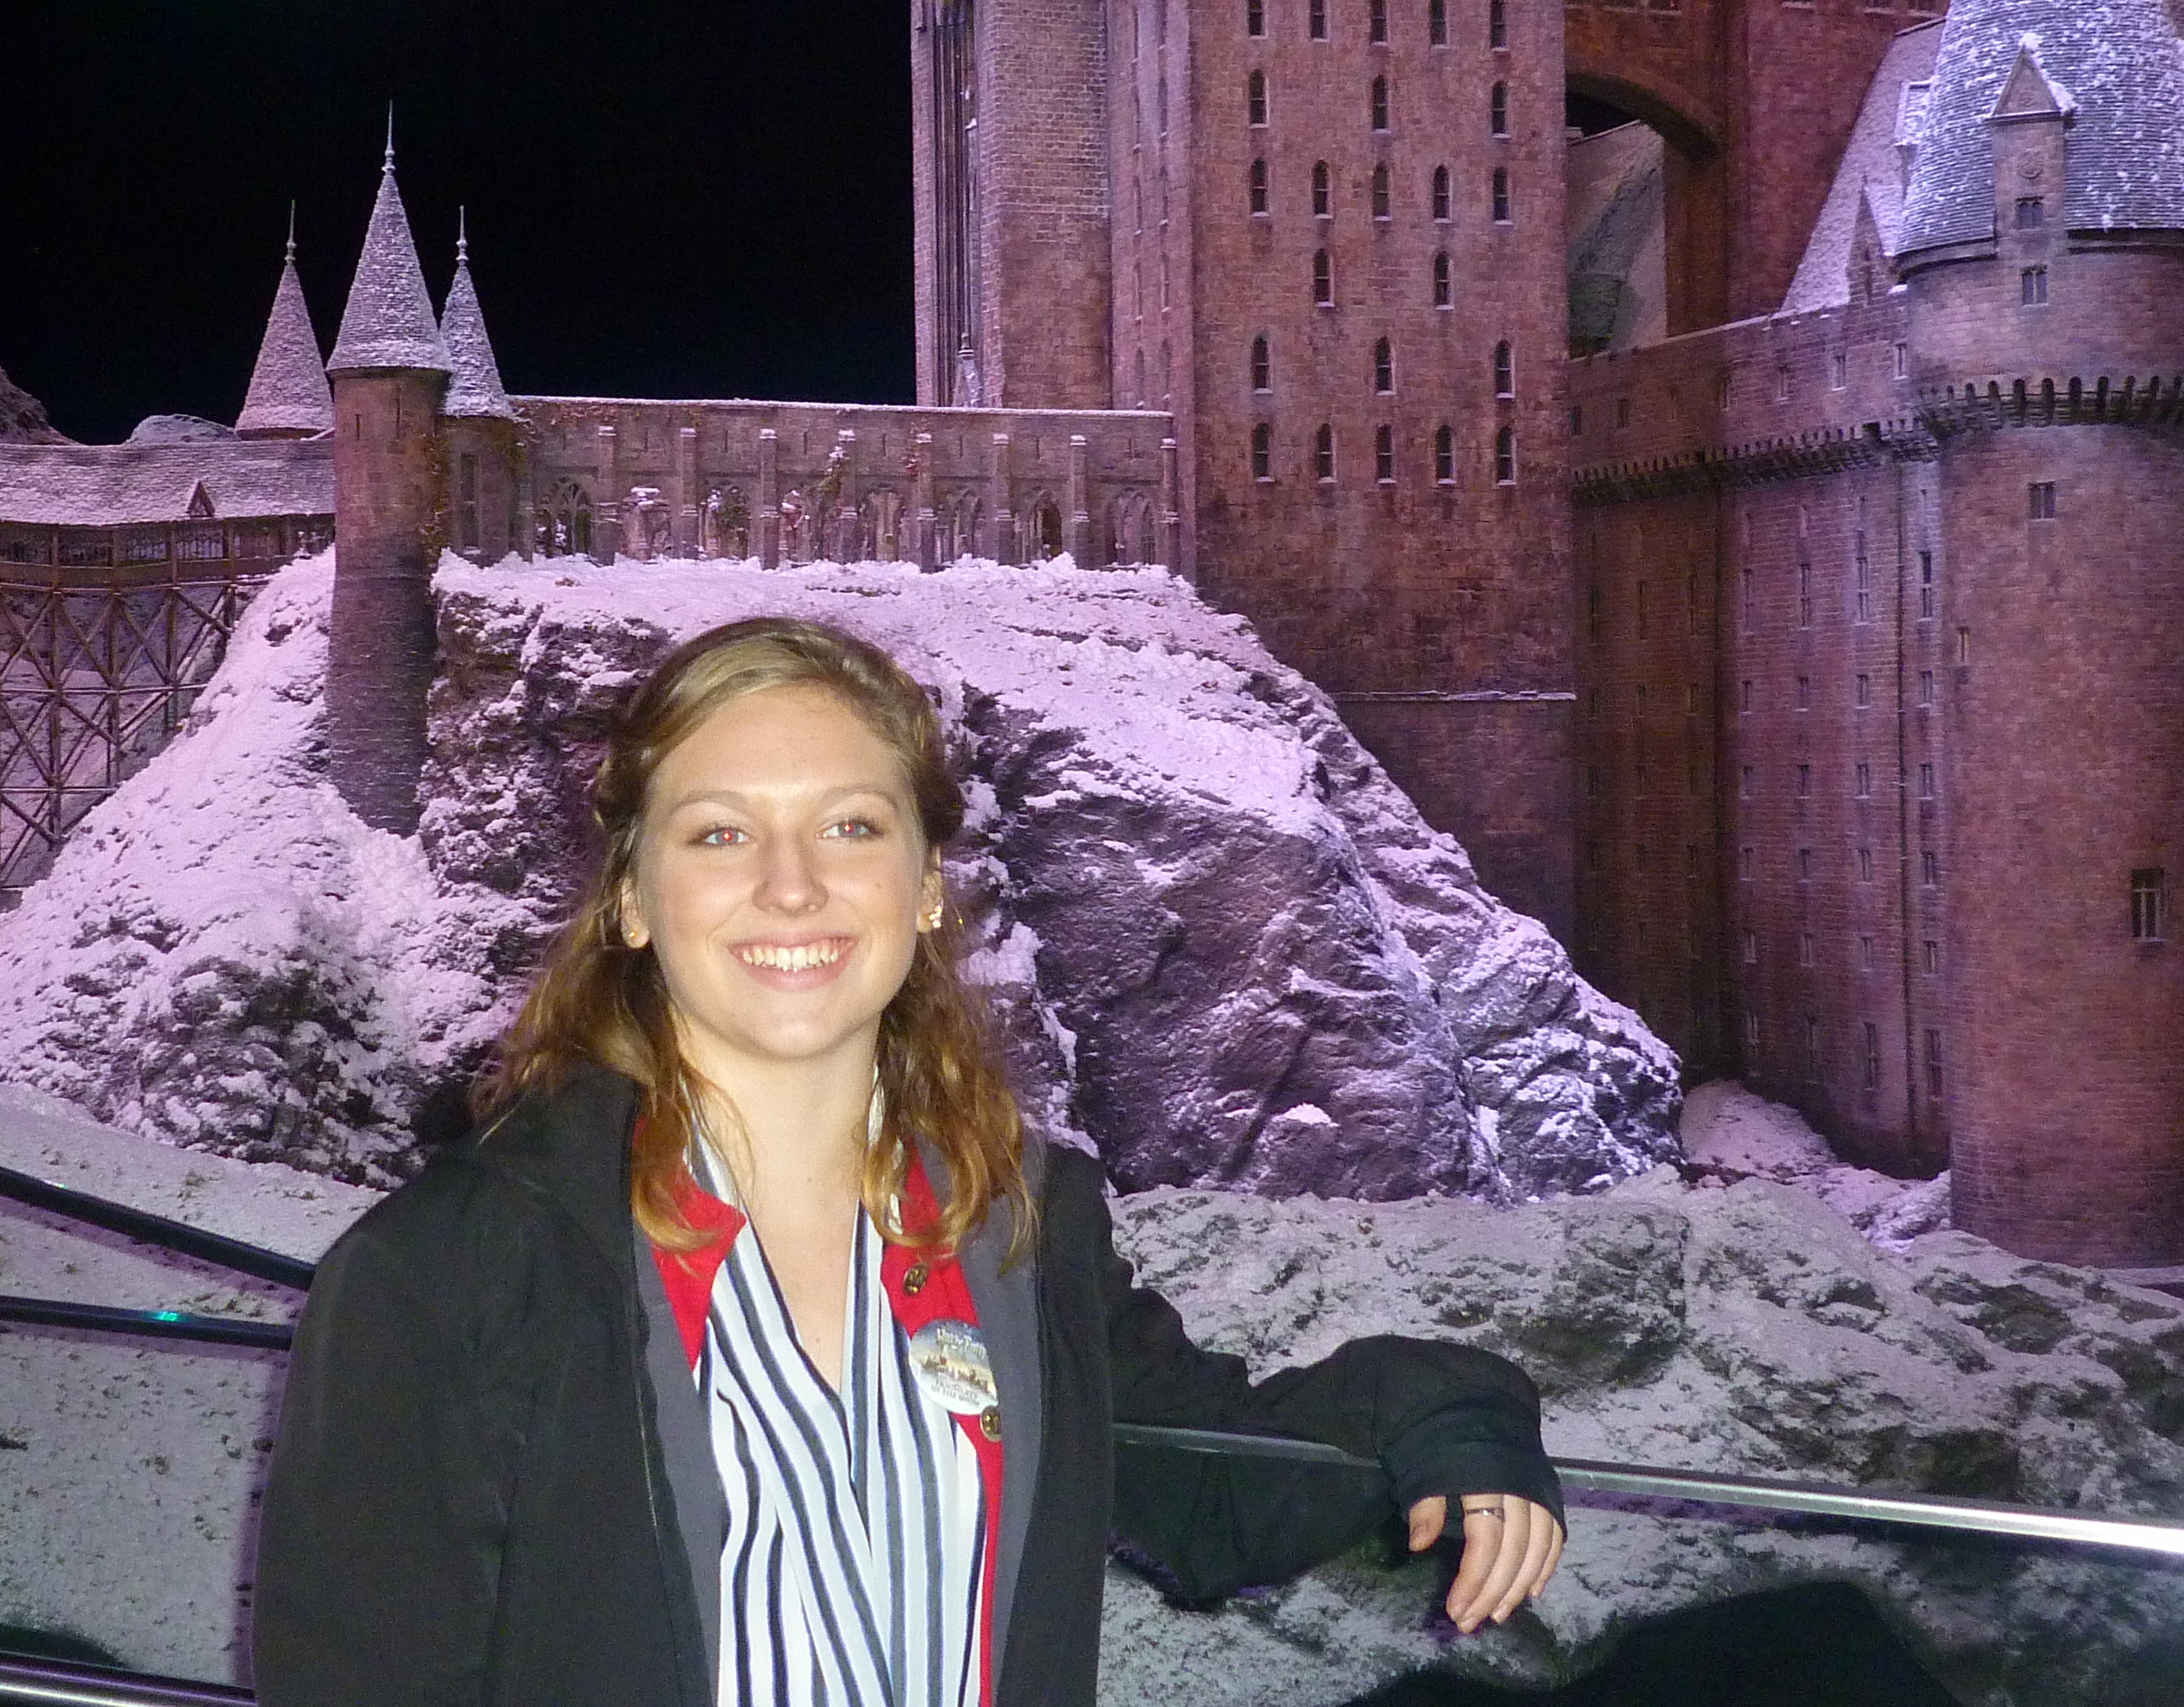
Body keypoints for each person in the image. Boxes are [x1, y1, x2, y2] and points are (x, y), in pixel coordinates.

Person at [256, 618, 1565, 1706]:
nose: (791, 887)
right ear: (636, 900)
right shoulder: (449, 1272)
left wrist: (1448, 1418)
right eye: (719, 833)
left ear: (927, 884)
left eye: (850, 828)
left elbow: (1213, 1489)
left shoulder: (1019, 1226)